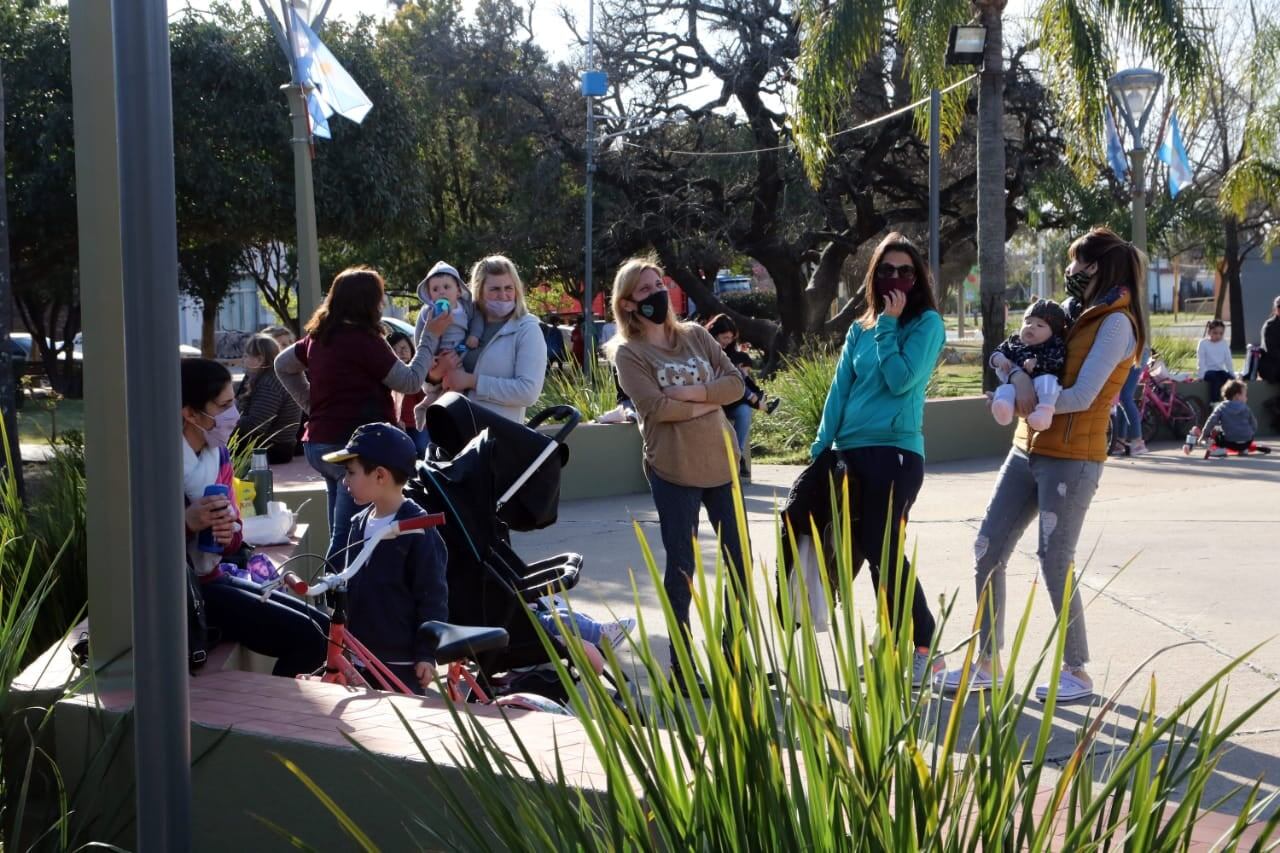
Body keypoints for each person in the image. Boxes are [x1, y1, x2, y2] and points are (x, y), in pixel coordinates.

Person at [936, 226, 1150, 703]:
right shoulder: (1071, 314)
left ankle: (1077, 670)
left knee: (1055, 560)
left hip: (1072, 459)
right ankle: (986, 659)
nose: (1069, 272)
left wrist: (1027, 397)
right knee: (987, 547)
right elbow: (1019, 352)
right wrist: (1013, 373)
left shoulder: (1116, 324)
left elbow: (1081, 396)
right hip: (1027, 449)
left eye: (1076, 263)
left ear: (1097, 268)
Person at [608, 257, 748, 696]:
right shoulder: (629, 353)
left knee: (738, 566)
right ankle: (683, 667)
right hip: (674, 471)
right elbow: (656, 408)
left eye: (658, 284)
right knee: (682, 569)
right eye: (645, 290)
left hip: (722, 466)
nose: (657, 294)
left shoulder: (696, 336)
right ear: (628, 303)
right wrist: (711, 399)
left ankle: (736, 657)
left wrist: (694, 395)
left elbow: (736, 385)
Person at [811, 233, 946, 687]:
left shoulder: (926, 324)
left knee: (882, 547)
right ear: (874, 276)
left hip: (897, 455)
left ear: (918, 277)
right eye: (885, 270)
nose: (895, 278)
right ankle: (895, 647)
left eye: (905, 271)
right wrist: (820, 446)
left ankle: (925, 645)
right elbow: (839, 390)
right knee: (873, 554)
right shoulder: (858, 328)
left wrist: (890, 325)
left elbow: (901, 380)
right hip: (850, 453)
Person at [275, 266, 437, 563]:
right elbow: (410, 381)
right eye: (379, 299)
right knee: (348, 538)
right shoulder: (365, 342)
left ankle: (340, 595)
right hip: (352, 449)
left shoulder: (319, 337)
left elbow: (282, 364)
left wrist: (313, 406)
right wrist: (430, 338)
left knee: (344, 527)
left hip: (319, 442)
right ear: (368, 303)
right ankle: (338, 599)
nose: (382, 304)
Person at [181, 358, 328, 677]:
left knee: (324, 628)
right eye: (224, 405)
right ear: (190, 413)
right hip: (185, 592)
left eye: (234, 401)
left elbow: (234, 540)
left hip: (213, 574)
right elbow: (136, 545)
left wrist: (228, 528)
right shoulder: (158, 462)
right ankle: (283, 719)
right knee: (311, 640)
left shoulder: (216, 453)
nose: (233, 414)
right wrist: (187, 524)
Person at [322, 422, 449, 694]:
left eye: (351, 472)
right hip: (361, 652)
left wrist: (426, 653)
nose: (345, 481)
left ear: (380, 475)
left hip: (400, 658)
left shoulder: (417, 528)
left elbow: (432, 597)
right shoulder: (358, 523)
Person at [416, 255, 548, 425]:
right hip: (453, 432)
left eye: (509, 288)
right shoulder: (464, 321)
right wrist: (435, 374)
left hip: (496, 439)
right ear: (479, 291)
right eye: (494, 289)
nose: (503, 295)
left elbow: (527, 392)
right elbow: (428, 385)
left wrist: (472, 381)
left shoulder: (527, 329)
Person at [704, 314, 777, 478]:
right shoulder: (704, 350)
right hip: (709, 398)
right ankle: (760, 404)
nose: (727, 341)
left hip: (729, 399)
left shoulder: (729, 353)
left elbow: (737, 378)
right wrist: (752, 397)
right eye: (724, 337)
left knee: (744, 410)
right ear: (714, 335)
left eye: (730, 338)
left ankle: (738, 455)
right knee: (742, 390)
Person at [989, 300, 1068, 431]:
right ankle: (1004, 409)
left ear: (1053, 332)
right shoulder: (1014, 341)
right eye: (1028, 322)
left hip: (1041, 379)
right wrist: (1000, 359)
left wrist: (1038, 362)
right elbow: (997, 352)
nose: (1031, 327)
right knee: (1005, 390)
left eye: (1040, 325)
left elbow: (1057, 360)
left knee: (1049, 383)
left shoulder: (1053, 345)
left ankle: (1044, 413)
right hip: (1015, 385)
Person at [234, 334, 301, 464]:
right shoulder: (270, 377)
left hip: (273, 448)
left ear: (260, 359)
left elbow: (255, 426)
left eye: (247, 356)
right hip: (277, 446)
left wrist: (224, 419)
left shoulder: (269, 383)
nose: (243, 359)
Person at [414, 260, 482, 357]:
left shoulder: (466, 306)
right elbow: (419, 334)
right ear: (429, 295)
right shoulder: (428, 311)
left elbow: (477, 318)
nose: (441, 292)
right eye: (435, 289)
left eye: (446, 287)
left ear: (458, 291)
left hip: (462, 348)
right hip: (437, 353)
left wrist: (474, 335)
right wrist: (424, 356)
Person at [1196, 379, 1270, 457]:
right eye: (1245, 395)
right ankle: (1243, 449)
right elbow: (1254, 423)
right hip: (1247, 442)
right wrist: (1250, 434)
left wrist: (1204, 435)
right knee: (1243, 434)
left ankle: (1220, 450)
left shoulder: (1221, 407)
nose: (1246, 398)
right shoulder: (1246, 408)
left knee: (1217, 432)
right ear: (1237, 396)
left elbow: (1211, 421)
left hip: (1229, 442)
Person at [386, 330, 429, 456]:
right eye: (395, 349)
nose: (401, 352)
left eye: (404, 347)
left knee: (422, 448)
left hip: (418, 423)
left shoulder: (418, 371)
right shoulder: (388, 373)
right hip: (396, 423)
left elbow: (425, 399)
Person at [1109, 343, 1150, 457]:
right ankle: (1120, 441)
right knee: (1121, 398)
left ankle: (1137, 442)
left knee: (1125, 397)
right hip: (1128, 353)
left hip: (1136, 352)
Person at [1197, 319, 1235, 406]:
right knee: (1215, 379)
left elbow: (1228, 360)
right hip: (1208, 371)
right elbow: (1201, 361)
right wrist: (1201, 376)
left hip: (1220, 370)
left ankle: (1232, 403)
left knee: (1229, 379)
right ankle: (1214, 402)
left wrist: (1232, 374)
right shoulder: (1203, 343)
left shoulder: (1224, 344)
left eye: (1221, 333)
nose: (1218, 335)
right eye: (1215, 333)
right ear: (1209, 332)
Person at [1258, 296, 1280, 384]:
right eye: (1279, 307)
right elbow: (1272, 351)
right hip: (1271, 366)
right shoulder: (1270, 326)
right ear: (1275, 309)